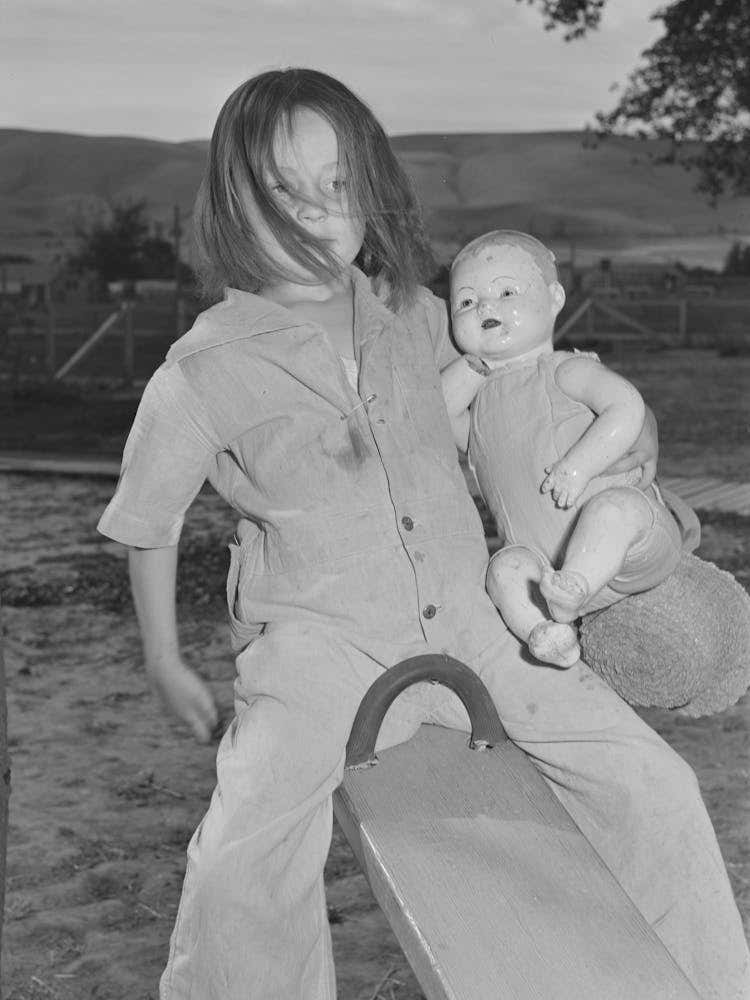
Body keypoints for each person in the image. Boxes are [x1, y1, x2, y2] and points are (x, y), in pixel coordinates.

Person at [97, 69, 750, 1000]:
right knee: (248, 839)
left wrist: (615, 432)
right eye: (289, 187)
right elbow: (147, 521)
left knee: (650, 785)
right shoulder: (203, 369)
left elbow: (518, 376)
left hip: (478, 617)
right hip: (320, 639)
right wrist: (164, 658)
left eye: (340, 183)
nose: (321, 211)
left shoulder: (416, 313)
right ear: (238, 196)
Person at [441, 230, 684, 668]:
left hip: (631, 548)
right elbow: (434, 418)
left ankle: (574, 586)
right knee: (505, 568)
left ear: (554, 297)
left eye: (507, 291)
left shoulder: (562, 370)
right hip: (547, 572)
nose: (486, 308)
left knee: (612, 509)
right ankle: (546, 632)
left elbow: (625, 405)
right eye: (466, 302)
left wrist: (578, 468)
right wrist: (475, 364)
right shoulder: (480, 417)